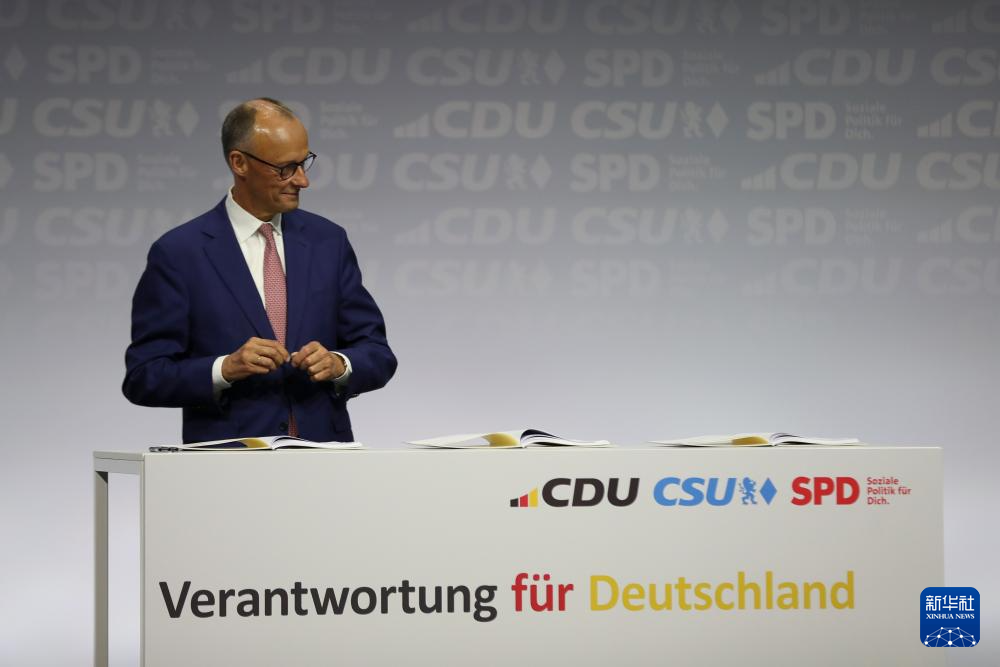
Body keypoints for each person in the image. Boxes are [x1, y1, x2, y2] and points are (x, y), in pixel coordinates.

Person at [123, 98, 396, 443]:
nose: (302, 180)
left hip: (324, 458)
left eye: (304, 163)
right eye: (285, 168)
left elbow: (377, 352)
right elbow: (144, 375)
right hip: (230, 462)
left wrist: (340, 364)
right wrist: (225, 368)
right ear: (239, 162)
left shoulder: (329, 241)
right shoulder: (180, 253)